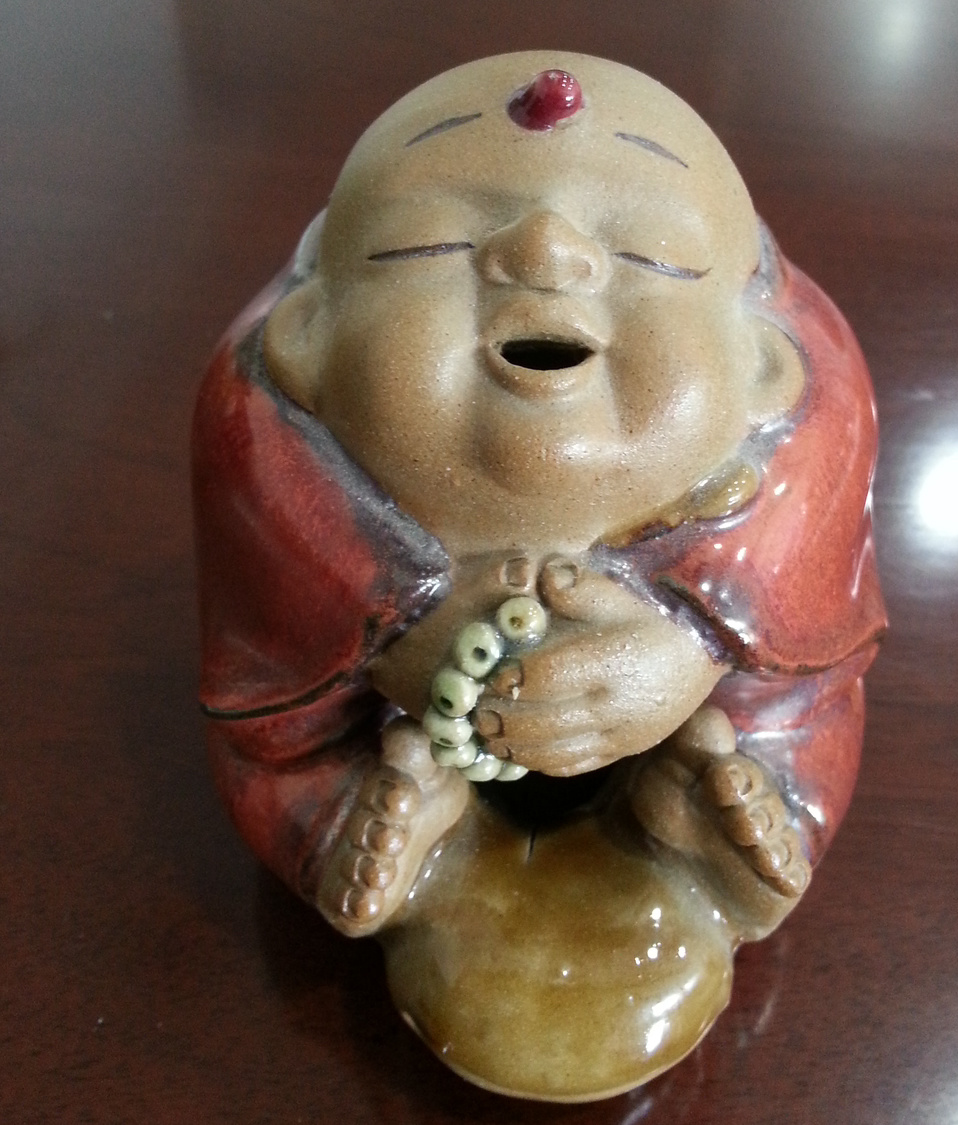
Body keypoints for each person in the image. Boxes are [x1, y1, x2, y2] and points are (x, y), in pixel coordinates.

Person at [193, 52, 885, 951]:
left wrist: (691, 642)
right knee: (282, 735)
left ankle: (744, 802)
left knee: (788, 702)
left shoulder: (813, 392)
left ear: (764, 364)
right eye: (432, 246)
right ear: (306, 339)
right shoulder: (258, 404)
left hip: (697, 677)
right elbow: (265, 555)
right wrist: (400, 626)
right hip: (394, 692)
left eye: (651, 255)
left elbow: (812, 519)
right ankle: (343, 814)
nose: (546, 249)